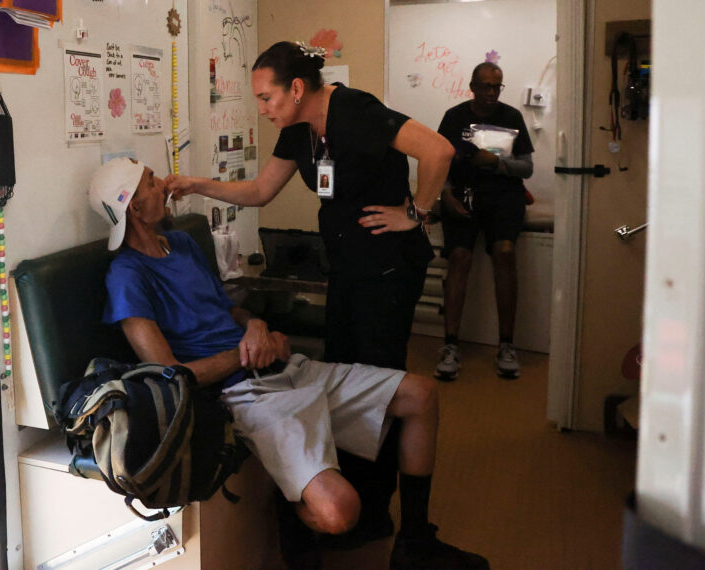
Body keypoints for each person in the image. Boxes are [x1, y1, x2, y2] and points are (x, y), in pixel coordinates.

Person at [88, 157, 489, 570]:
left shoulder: (183, 244)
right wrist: (244, 353)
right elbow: (171, 376)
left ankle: (415, 542)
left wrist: (257, 326)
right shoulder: (126, 276)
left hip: (284, 367)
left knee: (421, 395)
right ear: (135, 208)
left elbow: (229, 311)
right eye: (151, 182)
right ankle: (290, 508)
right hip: (242, 394)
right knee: (340, 513)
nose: (163, 183)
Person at [165, 41, 454, 548]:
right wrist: (196, 185)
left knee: (381, 386)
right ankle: (357, 500)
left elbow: (439, 150)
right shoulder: (298, 130)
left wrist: (416, 214)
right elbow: (259, 192)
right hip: (346, 273)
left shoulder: (356, 110)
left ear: (297, 88)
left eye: (266, 97)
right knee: (347, 377)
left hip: (387, 272)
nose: (262, 109)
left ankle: (385, 516)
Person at [434, 62, 534, 381]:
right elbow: (438, 162)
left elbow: (527, 168)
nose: (492, 92)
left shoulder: (511, 117)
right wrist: (445, 194)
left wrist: (497, 162)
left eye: (497, 86)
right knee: (459, 258)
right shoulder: (454, 118)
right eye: (486, 86)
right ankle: (451, 346)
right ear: (473, 86)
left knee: (505, 252)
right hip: (463, 195)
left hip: (504, 196)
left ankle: (506, 346)